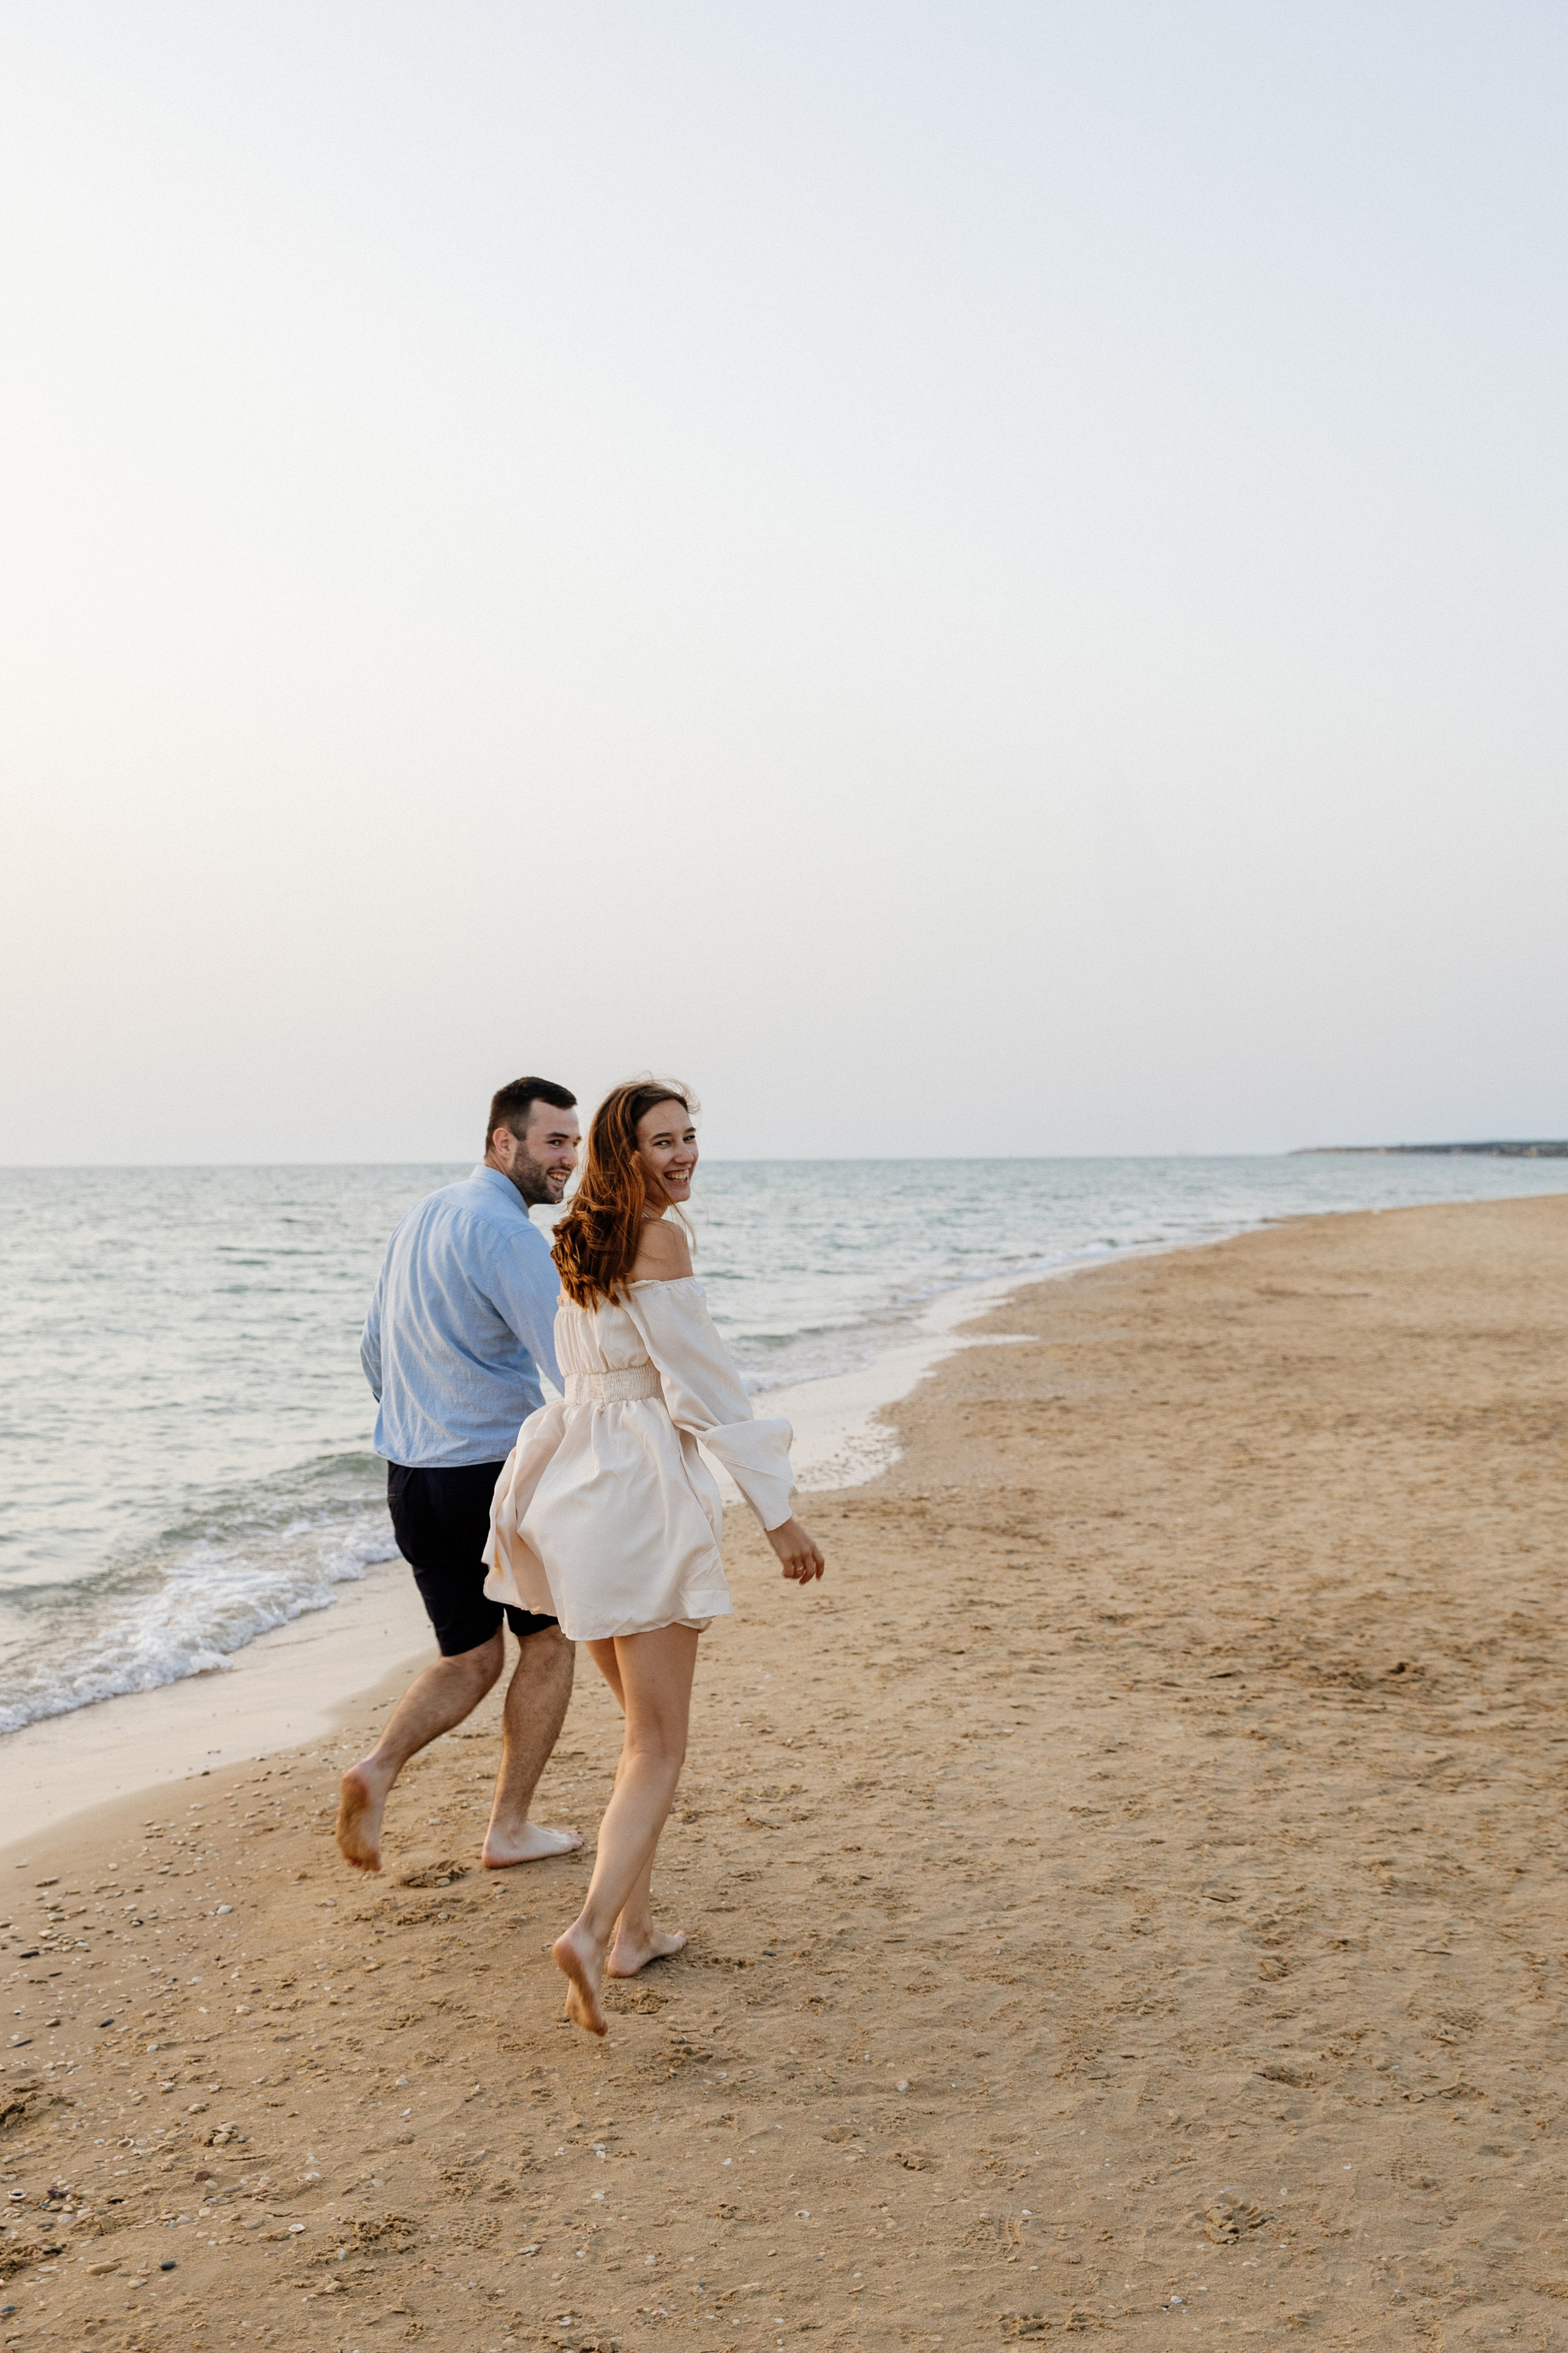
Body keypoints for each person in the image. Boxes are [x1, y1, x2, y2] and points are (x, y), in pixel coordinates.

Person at [483, 1079, 826, 2033]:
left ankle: (633, 1932)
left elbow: (580, 1374)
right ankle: (590, 1931)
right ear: (622, 1153)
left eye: (689, 1137)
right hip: (636, 1494)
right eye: (661, 1142)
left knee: (641, 1732)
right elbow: (706, 1383)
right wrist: (778, 1512)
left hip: (573, 1496)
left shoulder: (574, 1238)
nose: (681, 1155)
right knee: (658, 1743)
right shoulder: (659, 1239)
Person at [336, 1076, 586, 1876]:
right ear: (501, 1141)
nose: (568, 1159)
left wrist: (422, 1419)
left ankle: (376, 1766)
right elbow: (570, 1367)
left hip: (410, 1478)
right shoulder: (509, 1236)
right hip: (487, 1475)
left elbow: (372, 1350)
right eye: (553, 1141)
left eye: (574, 1142)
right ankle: (509, 1826)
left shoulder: (422, 1216)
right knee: (548, 1642)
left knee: (470, 1656)